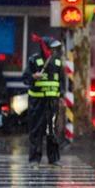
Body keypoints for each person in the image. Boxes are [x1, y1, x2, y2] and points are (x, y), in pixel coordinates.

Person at [22, 36, 64, 169]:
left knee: (52, 131)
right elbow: (25, 78)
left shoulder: (57, 62)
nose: (53, 51)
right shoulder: (34, 60)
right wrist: (34, 76)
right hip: (37, 102)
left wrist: (61, 97)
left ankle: (54, 159)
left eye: (54, 48)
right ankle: (34, 160)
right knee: (36, 131)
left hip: (52, 103)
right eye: (51, 48)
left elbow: (61, 81)